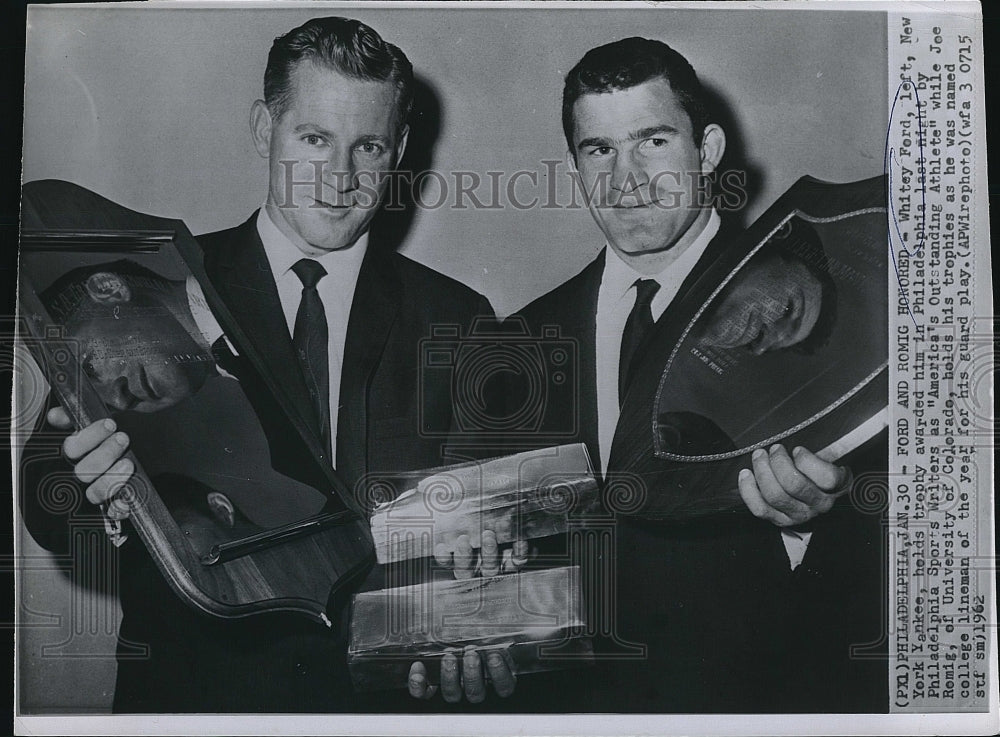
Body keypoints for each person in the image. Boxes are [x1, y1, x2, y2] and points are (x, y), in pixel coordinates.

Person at [21, 17, 516, 712]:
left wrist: (479, 624)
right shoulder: (161, 284)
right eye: (314, 139)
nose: (341, 179)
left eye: (367, 146)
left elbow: (491, 534)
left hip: (380, 708)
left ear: (399, 149)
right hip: (198, 699)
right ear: (265, 130)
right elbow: (47, 488)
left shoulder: (461, 318)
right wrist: (96, 499)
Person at [503, 37, 887, 711]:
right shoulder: (520, 341)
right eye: (599, 150)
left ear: (707, 150)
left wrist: (804, 525)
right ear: (575, 167)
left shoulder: (825, 311)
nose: (625, 177)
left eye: (652, 141)